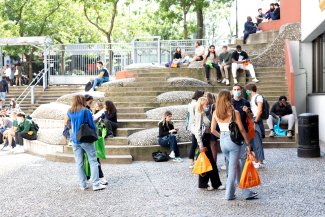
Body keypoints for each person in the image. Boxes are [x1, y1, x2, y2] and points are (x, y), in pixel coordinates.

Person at [211, 89, 258, 200]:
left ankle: (247, 192)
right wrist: (248, 142)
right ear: (227, 98)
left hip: (222, 140)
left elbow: (212, 130)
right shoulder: (234, 112)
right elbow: (241, 129)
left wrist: (222, 136)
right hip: (233, 142)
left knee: (236, 167)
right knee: (233, 168)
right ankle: (229, 194)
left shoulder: (215, 112)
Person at [66, 95, 106, 191]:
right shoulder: (85, 111)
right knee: (93, 161)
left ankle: (83, 185)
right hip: (85, 138)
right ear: (82, 101)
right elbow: (92, 124)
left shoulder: (70, 111)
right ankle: (96, 184)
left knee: (79, 163)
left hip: (75, 140)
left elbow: (69, 125)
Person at [194, 97, 224, 190]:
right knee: (211, 163)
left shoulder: (203, 113)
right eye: (206, 104)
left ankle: (203, 183)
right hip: (203, 140)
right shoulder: (200, 114)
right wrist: (201, 145)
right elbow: (198, 130)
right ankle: (216, 184)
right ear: (202, 105)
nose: (207, 106)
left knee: (207, 162)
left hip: (206, 139)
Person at [84, 95, 108, 186]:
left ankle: (85, 180)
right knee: (94, 159)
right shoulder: (85, 110)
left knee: (84, 160)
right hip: (88, 136)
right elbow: (90, 122)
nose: (91, 104)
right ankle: (99, 180)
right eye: (90, 102)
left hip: (81, 137)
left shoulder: (78, 110)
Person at [245, 83, 265, 169]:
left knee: (257, 142)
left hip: (256, 121)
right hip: (253, 119)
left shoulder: (258, 97)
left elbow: (259, 110)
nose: (246, 92)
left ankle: (260, 161)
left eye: (247, 90)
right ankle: (257, 160)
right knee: (253, 141)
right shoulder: (253, 98)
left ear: (249, 90)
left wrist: (256, 120)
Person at [188, 90, 205, 168]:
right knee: (196, 143)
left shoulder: (191, 103)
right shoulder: (196, 104)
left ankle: (192, 161)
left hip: (192, 125)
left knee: (194, 144)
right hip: (196, 125)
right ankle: (193, 161)